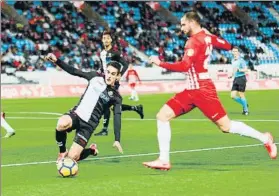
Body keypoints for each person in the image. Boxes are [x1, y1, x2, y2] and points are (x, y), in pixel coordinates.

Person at [143, 11, 277, 170]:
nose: (181, 27)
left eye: (183, 24)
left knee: (226, 127)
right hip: (192, 90)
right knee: (162, 116)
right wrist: (210, 36)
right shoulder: (207, 37)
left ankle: (265, 138)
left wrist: (160, 63)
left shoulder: (192, 42)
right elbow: (227, 45)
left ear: (192, 23)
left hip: (202, 90)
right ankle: (164, 159)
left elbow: (184, 66)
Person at [45, 53, 124, 163]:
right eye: (108, 72)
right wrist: (56, 61)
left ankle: (91, 151)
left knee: (72, 159)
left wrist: (117, 139)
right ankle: (62, 151)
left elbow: (117, 116)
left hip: (88, 126)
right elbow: (74, 71)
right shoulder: (94, 77)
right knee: (61, 123)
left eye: (113, 74)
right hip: (77, 115)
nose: (109, 76)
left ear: (118, 76)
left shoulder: (116, 97)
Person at [94, 30, 144, 136]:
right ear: (102, 40)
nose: (106, 40)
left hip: (113, 81)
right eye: (104, 38)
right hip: (105, 80)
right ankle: (136, 108)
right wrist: (98, 72)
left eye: (108, 38)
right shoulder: (102, 53)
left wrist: (119, 74)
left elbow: (125, 64)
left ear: (111, 40)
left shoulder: (114, 53)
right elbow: (102, 66)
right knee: (111, 105)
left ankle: (105, 129)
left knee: (106, 104)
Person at [229, 46, 249, 115]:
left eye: (235, 51)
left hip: (241, 78)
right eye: (233, 51)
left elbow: (246, 69)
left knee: (241, 95)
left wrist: (239, 70)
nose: (234, 52)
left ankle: (246, 110)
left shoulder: (241, 60)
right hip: (236, 78)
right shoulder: (232, 60)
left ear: (238, 52)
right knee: (232, 96)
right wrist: (231, 75)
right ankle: (245, 104)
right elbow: (234, 69)